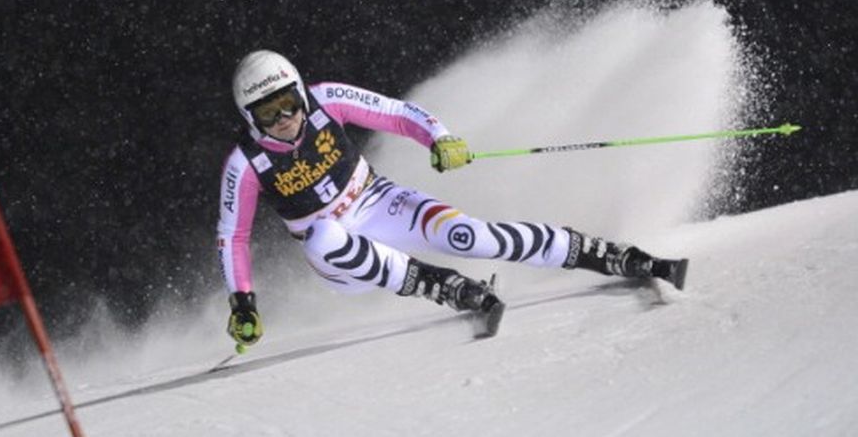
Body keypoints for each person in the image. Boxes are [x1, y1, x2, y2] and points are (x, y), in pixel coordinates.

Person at [217, 50, 687, 345]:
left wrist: (439, 138)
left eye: (288, 103)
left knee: (470, 236)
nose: (283, 119)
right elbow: (232, 237)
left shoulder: (327, 99)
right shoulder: (246, 163)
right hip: (340, 260)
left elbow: (397, 113)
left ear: (300, 93)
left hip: (378, 201)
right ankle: (445, 287)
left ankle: (609, 255)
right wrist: (243, 305)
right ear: (250, 117)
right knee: (322, 236)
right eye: (267, 112)